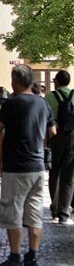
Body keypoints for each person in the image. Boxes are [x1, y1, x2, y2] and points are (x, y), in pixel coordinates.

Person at [0, 64, 56, 266]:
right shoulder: (43, 103)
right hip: (37, 166)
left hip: (16, 166)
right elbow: (53, 131)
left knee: (13, 212)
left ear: (15, 83)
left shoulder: (13, 103)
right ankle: (33, 257)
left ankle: (15, 258)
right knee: (35, 213)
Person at [45, 70, 74, 225]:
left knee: (54, 172)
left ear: (56, 81)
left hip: (55, 135)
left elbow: (46, 117)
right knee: (69, 175)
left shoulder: (50, 96)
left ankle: (55, 208)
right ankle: (64, 212)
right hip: (72, 136)